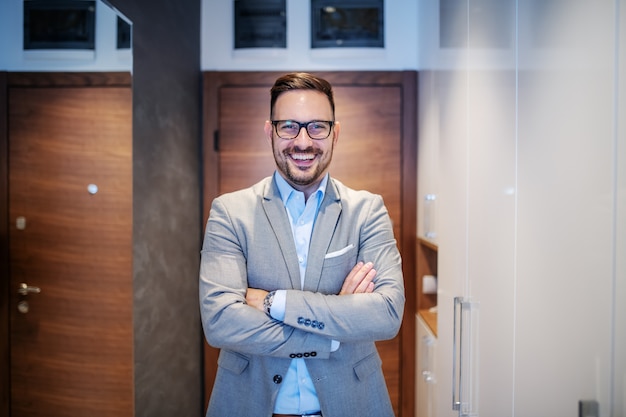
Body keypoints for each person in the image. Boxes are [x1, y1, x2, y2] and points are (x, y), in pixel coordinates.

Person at [199, 72, 405, 417]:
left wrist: (273, 302)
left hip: (352, 403)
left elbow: (386, 314)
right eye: (289, 126)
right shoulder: (229, 212)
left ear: (335, 133)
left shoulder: (367, 211)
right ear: (270, 132)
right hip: (249, 403)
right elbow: (220, 321)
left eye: (317, 127)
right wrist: (335, 327)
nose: (303, 142)